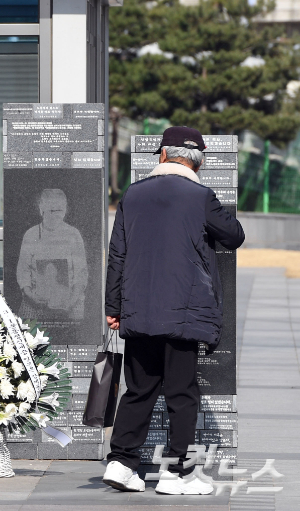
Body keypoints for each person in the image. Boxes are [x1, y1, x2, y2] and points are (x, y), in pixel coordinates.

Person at [102, 126, 244, 494]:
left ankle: (121, 463)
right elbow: (234, 235)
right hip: (183, 311)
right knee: (181, 392)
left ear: (163, 155)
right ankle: (176, 474)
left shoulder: (133, 195)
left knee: (138, 389)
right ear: (197, 162)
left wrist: (113, 306)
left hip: (137, 309)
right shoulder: (199, 196)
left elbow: (117, 254)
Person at [16, 188, 88, 321]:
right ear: (41, 208)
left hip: (70, 300)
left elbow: (81, 274)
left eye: (59, 210)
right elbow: (23, 271)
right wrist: (30, 295)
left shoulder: (73, 235)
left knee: (76, 319)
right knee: (25, 322)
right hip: (35, 300)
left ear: (65, 210)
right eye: (50, 210)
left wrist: (70, 302)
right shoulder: (31, 235)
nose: (55, 215)